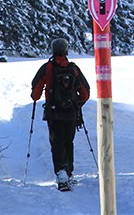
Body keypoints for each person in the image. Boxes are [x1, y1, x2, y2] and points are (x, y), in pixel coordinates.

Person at [31, 38, 90, 190]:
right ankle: (69, 173)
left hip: (53, 113)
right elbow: (85, 92)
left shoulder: (47, 68)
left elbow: (35, 94)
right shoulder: (73, 68)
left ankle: (61, 173)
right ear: (66, 50)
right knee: (68, 143)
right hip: (71, 114)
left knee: (57, 143)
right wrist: (76, 104)